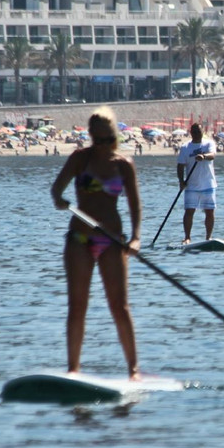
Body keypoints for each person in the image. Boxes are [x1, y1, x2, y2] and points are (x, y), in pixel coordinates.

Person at [50, 107, 142, 380]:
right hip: (79, 240)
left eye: (106, 139)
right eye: (96, 139)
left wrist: (136, 238)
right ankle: (73, 370)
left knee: (119, 306)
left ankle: (133, 370)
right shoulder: (80, 159)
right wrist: (60, 200)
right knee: (77, 305)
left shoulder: (123, 165)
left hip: (112, 241)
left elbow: (135, 205)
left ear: (114, 136)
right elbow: (57, 190)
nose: (101, 145)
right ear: (90, 136)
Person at [177, 122, 217, 243]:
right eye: (194, 132)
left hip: (208, 184)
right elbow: (180, 166)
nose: (196, 134)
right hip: (191, 185)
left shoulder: (208, 143)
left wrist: (203, 156)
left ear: (202, 132)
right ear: (191, 133)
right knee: (189, 211)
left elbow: (212, 155)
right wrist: (181, 181)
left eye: (199, 132)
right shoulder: (185, 147)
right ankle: (187, 237)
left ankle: (208, 237)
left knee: (209, 211)